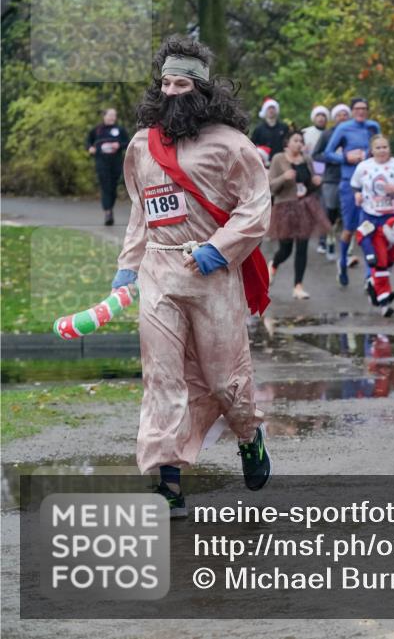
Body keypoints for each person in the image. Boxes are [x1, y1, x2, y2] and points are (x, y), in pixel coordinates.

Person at [112, 35, 272, 517]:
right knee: (162, 378)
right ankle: (168, 483)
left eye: (181, 84)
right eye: (165, 83)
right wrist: (128, 265)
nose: (171, 92)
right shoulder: (142, 145)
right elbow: (140, 211)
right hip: (159, 273)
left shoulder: (232, 145)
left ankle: (248, 434)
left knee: (224, 380)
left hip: (212, 275)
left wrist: (218, 249)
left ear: (201, 89)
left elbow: (256, 208)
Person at [350, 134, 394, 316]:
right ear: (371, 150)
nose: (382, 151)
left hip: (393, 217)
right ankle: (383, 299)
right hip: (371, 216)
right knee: (378, 258)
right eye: (378, 148)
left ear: (390, 149)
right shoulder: (364, 166)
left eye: (385, 147)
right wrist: (357, 194)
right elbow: (355, 184)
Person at [323, 97, 381, 286]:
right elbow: (327, 153)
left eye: (364, 108)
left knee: (369, 227)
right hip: (349, 183)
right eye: (357, 108)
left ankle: (369, 275)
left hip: (370, 184)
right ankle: (342, 263)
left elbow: (380, 148)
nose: (361, 111)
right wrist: (346, 157)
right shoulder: (343, 128)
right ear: (352, 111)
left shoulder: (373, 127)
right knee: (349, 228)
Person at [267, 130, 329, 299]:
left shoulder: (307, 159)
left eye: (301, 141)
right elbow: (271, 187)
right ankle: (274, 264)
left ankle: (298, 286)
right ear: (287, 143)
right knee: (285, 249)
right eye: (295, 140)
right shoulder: (278, 158)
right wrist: (284, 177)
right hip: (285, 207)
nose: (299, 144)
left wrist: (316, 182)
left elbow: (310, 185)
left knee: (302, 248)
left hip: (304, 207)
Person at [312, 103, 350, 259]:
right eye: (339, 115)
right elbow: (316, 155)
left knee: (347, 214)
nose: (342, 117)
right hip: (331, 178)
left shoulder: (353, 132)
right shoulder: (327, 134)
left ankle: (346, 249)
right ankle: (326, 242)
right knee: (329, 212)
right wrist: (334, 158)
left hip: (350, 179)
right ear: (334, 118)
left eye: (345, 115)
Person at [86, 108, 130, 225]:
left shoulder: (120, 130)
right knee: (105, 186)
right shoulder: (97, 130)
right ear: (104, 116)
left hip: (115, 162)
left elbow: (128, 143)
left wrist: (119, 145)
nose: (112, 117)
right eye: (110, 115)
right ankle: (108, 212)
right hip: (101, 161)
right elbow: (88, 142)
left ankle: (109, 208)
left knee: (113, 188)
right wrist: (90, 148)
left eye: (114, 115)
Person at [250, 97, 288, 165]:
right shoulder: (259, 129)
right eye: (269, 108)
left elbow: (288, 144)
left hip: (281, 161)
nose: (271, 110)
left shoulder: (284, 127)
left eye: (273, 108)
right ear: (265, 110)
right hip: (264, 163)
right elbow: (252, 145)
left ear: (276, 110)